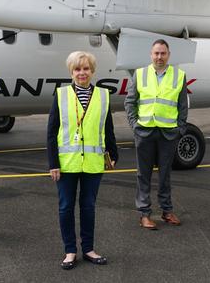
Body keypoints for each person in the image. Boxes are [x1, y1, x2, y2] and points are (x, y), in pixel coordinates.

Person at [47, 51, 119, 270]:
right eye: (77, 69)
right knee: (66, 207)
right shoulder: (61, 95)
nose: (82, 73)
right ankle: (70, 250)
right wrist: (53, 163)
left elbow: (108, 128)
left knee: (88, 206)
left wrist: (113, 154)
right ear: (71, 71)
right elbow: (52, 132)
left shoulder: (103, 96)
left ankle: (88, 248)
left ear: (92, 71)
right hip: (67, 163)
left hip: (93, 162)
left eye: (86, 68)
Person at [124, 39, 188, 230]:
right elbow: (130, 102)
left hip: (168, 133)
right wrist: (134, 125)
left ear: (168, 55)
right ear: (151, 55)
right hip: (145, 132)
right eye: (156, 53)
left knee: (165, 175)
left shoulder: (179, 75)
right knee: (143, 175)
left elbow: (182, 105)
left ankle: (167, 211)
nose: (159, 57)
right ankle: (144, 214)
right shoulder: (140, 74)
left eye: (163, 53)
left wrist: (180, 129)